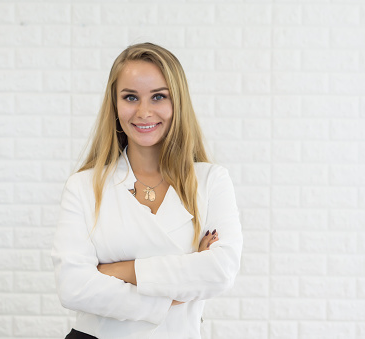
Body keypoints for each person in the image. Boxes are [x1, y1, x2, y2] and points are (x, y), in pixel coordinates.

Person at [51, 42, 243, 339]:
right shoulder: (84, 186)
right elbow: (73, 287)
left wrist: (117, 271)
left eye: (158, 96)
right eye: (130, 97)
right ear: (115, 105)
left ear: (177, 102)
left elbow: (220, 272)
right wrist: (176, 295)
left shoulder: (211, 181)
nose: (143, 112)